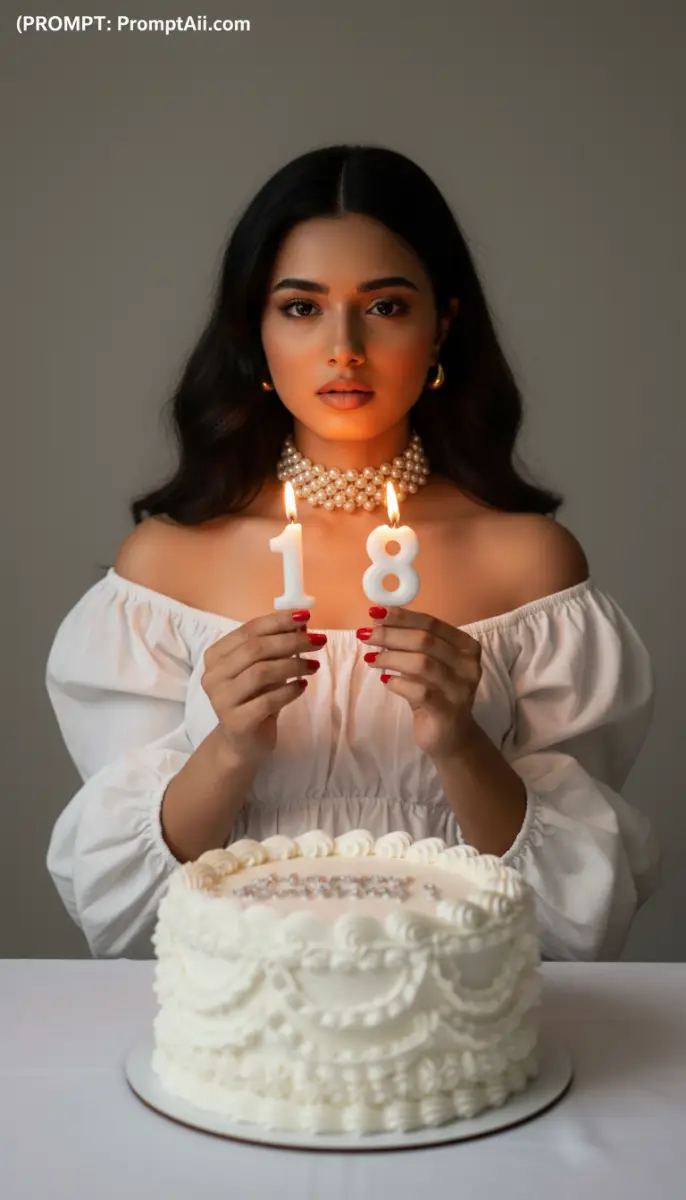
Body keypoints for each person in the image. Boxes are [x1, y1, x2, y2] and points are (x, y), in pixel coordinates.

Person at [45, 144, 660, 962]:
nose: (345, 347)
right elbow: (121, 918)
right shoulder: (164, 567)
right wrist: (229, 746)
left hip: (455, 1022)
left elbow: (578, 913)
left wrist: (458, 739)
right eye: (301, 308)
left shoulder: (531, 567)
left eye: (385, 307)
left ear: (443, 324)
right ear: (254, 331)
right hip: (241, 1029)